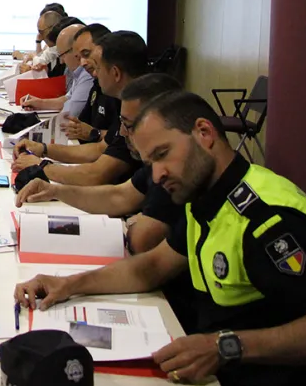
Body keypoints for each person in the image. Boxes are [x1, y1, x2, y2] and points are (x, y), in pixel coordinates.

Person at [14, 91, 306, 386]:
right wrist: (69, 284)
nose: (158, 174)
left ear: (204, 134)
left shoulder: (268, 221)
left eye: (163, 154)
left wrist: (226, 346)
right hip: (231, 366)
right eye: (150, 163)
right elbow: (153, 266)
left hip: (295, 380)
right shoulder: (203, 194)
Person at [15, 73, 184, 254]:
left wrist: (44, 166)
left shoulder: (173, 170)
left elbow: (141, 240)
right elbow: (118, 196)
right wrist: (55, 191)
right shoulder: (153, 162)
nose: (122, 132)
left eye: (128, 125)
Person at [12, 31, 150, 186]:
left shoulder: (142, 109)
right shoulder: (128, 100)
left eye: (98, 67)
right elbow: (99, 149)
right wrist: (43, 148)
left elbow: (96, 175)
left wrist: (40, 165)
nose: (94, 73)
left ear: (115, 73)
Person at [18, 23, 93, 119]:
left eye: (62, 55)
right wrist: (40, 102)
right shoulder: (79, 72)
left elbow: (71, 113)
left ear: (76, 51)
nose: (61, 61)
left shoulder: (87, 74)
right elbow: (67, 98)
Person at [63, 23, 119, 143]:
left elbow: (121, 139)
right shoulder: (97, 84)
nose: (82, 63)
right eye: (79, 58)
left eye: (86, 54)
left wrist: (95, 133)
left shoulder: (119, 90)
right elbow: (81, 124)